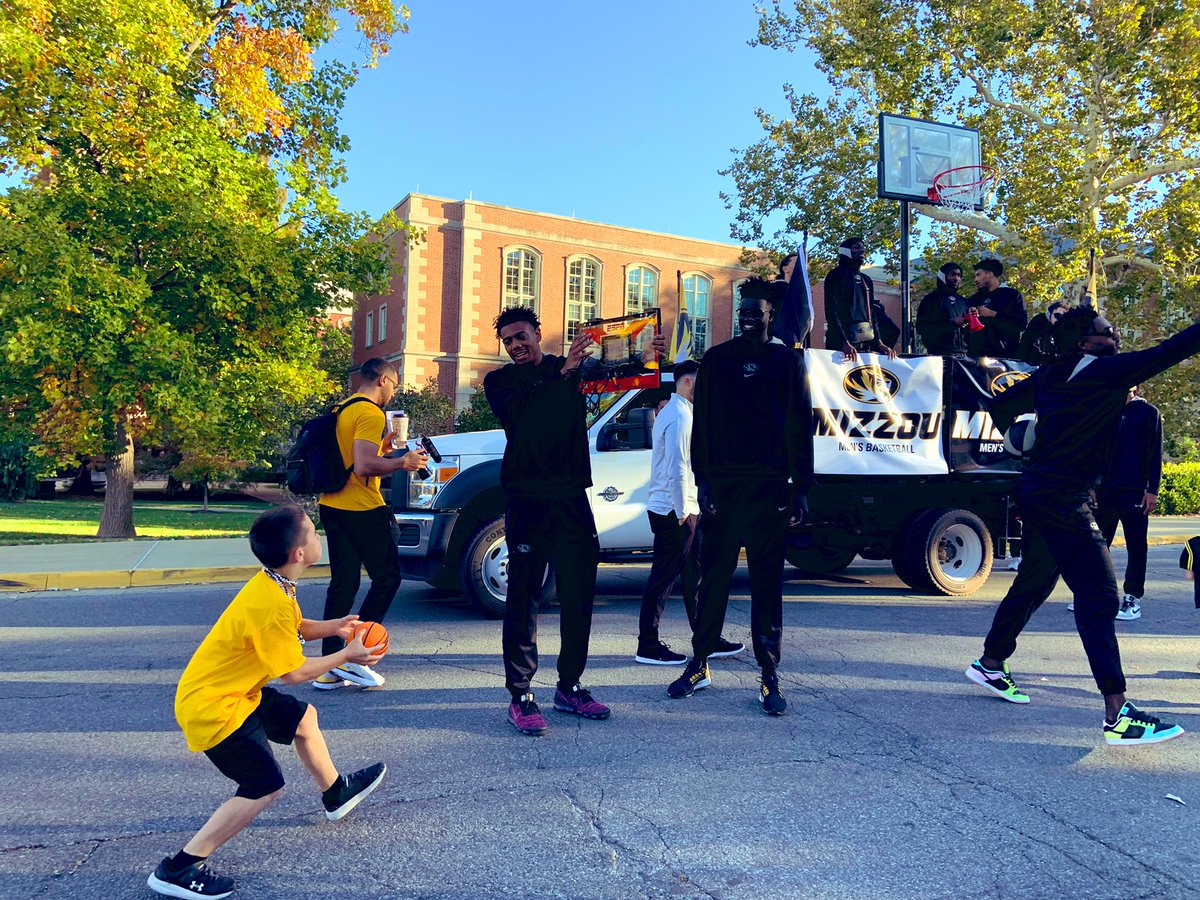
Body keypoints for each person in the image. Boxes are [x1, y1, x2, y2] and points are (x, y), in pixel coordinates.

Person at [965, 306, 1200, 746]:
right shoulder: (1107, 372)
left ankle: (991, 661)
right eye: (1105, 330)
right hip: (1066, 498)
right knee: (1099, 598)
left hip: (1037, 490)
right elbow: (1175, 347)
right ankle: (1118, 713)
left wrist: (1025, 442)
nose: (1114, 333)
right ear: (1084, 342)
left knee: (1036, 579)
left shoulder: (1052, 374)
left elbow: (996, 405)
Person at [149, 505, 388, 899]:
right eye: (313, 534)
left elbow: (294, 628)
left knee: (303, 718)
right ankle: (180, 867)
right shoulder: (271, 601)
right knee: (263, 787)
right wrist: (347, 656)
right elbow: (293, 673)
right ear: (299, 553)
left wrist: (336, 627)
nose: (317, 538)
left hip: (237, 693)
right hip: (215, 708)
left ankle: (335, 793)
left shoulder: (274, 583)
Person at [485, 306, 665, 736]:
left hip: (571, 497)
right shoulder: (501, 382)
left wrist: (653, 357)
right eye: (508, 341)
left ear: (537, 332)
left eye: (521, 336)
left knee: (579, 595)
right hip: (528, 499)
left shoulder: (571, 367)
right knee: (524, 599)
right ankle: (521, 695)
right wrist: (562, 372)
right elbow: (522, 417)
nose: (515, 345)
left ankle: (570, 686)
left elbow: (624, 375)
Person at [668, 283, 813, 715]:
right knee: (712, 580)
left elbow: (799, 425)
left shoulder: (788, 361)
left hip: (770, 489)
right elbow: (704, 425)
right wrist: (704, 481)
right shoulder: (716, 360)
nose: (748, 318)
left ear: (771, 316)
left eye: (757, 312)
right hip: (725, 489)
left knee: (767, 585)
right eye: (743, 312)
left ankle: (769, 675)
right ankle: (699, 663)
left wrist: (801, 487)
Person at [314, 357, 428, 691]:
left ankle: (329, 666)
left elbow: (352, 457)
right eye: (395, 383)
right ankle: (356, 655)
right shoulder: (369, 412)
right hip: (361, 508)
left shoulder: (344, 408)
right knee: (388, 578)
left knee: (344, 584)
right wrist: (401, 461)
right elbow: (364, 466)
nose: (394, 390)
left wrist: (386, 446)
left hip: (332, 504)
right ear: (381, 379)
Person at [634, 359, 745, 665]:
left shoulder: (680, 411)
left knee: (694, 575)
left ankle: (706, 637)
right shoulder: (680, 416)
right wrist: (684, 510)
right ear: (685, 382)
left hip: (682, 507)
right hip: (674, 510)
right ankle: (648, 646)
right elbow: (678, 466)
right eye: (700, 382)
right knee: (664, 578)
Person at [1091, 387, 1162, 621]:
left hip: (1135, 492)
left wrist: (1152, 491)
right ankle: (1097, 594)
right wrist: (1090, 485)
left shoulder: (1148, 412)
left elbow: (1155, 455)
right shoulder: (1105, 410)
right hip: (1104, 490)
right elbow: (1095, 451)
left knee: (1136, 546)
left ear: (1136, 388)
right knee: (1098, 546)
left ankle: (1132, 599)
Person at [823, 236, 899, 361]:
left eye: (863, 248)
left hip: (866, 340)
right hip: (842, 345)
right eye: (856, 247)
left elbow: (872, 313)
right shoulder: (835, 275)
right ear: (846, 251)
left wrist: (879, 341)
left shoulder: (866, 280)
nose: (862, 251)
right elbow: (832, 310)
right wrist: (843, 341)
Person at [966, 258, 1027, 357]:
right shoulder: (973, 300)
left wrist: (993, 314)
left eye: (978, 275)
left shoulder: (1012, 295)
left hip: (1005, 357)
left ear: (990, 274)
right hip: (976, 358)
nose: (975, 280)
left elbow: (1021, 323)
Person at [915, 262, 970, 355]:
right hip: (940, 355)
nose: (956, 278)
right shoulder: (931, 299)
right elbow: (922, 328)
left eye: (959, 275)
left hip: (964, 355)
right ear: (943, 276)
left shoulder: (963, 301)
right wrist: (952, 323)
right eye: (952, 274)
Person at [1017, 301, 1068, 365]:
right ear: (1050, 314)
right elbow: (1029, 348)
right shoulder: (1038, 324)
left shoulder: (1063, 332)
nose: (1059, 319)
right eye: (1057, 315)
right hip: (1028, 365)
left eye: (1063, 317)